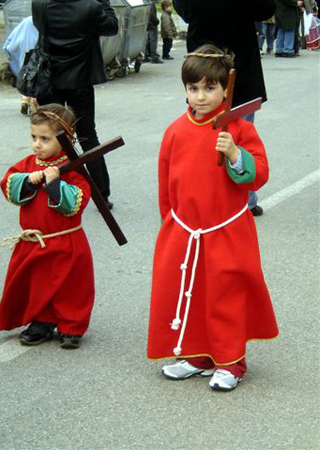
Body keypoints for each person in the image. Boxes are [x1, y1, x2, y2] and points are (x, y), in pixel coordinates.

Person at [147, 44, 279, 391]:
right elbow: (166, 184)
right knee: (189, 290)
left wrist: (235, 154)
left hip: (227, 227)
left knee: (225, 293)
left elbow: (258, 173)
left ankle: (231, 361)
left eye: (209, 88)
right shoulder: (174, 131)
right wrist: (170, 224)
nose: (200, 96)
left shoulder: (237, 129)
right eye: (193, 89)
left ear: (225, 89)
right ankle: (198, 355)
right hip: (185, 228)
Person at [0, 104, 95, 349]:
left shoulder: (73, 170)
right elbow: (9, 185)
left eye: (45, 139)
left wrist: (54, 185)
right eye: (34, 138)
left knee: (70, 286)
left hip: (66, 241)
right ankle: (42, 320)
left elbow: (76, 202)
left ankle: (71, 326)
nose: (37, 144)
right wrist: (28, 180)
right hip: (34, 240)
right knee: (38, 283)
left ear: (66, 138)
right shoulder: (28, 164)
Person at [173, 0, 277, 216]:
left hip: (207, 64)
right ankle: (241, 200)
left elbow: (184, 10)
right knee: (238, 133)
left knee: (213, 131)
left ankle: (213, 196)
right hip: (232, 64)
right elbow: (265, 8)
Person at [32, 0, 118, 209]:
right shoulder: (91, 7)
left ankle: (50, 188)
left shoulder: (40, 4)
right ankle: (101, 195)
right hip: (81, 77)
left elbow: (41, 29)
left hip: (49, 77)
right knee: (88, 136)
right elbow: (111, 27)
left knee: (48, 135)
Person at [3, 16, 39, 115]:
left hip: (25, 54)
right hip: (38, 54)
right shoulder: (45, 19)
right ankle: (33, 101)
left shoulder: (27, 21)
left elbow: (10, 44)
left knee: (25, 76)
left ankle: (25, 99)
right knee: (37, 77)